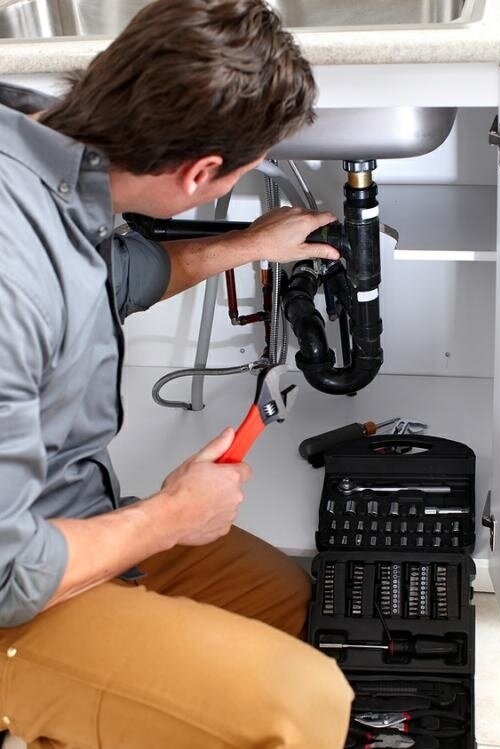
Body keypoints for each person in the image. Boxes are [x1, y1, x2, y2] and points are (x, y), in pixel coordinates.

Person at [0, 1, 353, 747]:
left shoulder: (44, 143)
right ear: (200, 173)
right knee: (298, 704)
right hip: (14, 587)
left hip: (59, 515)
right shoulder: (11, 273)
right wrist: (168, 517)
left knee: (281, 596)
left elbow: (110, 278)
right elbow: (9, 575)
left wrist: (246, 244)